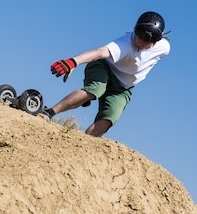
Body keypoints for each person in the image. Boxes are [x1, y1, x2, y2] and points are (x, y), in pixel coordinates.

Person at [39, 11, 170, 136]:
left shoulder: (164, 48)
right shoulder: (125, 43)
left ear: (154, 42)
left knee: (109, 118)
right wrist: (73, 62)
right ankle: (48, 112)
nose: (139, 41)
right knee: (95, 90)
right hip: (104, 67)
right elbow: (100, 52)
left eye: (145, 39)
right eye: (138, 34)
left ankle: (81, 143)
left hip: (123, 88)